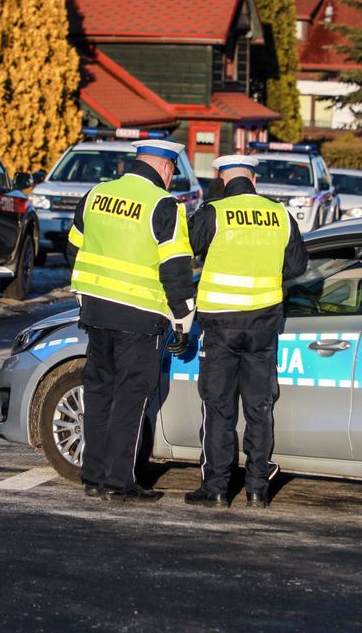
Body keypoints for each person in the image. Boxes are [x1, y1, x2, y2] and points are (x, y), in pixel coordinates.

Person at [67, 139, 196, 503]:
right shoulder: (163, 204)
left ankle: (92, 477)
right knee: (129, 400)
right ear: (166, 167)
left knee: (98, 394)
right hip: (139, 320)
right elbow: (175, 269)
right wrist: (183, 318)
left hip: (96, 313)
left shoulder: (97, 194)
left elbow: (72, 247)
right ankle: (118, 483)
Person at [183, 154, 308, 509]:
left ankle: (217, 488)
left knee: (219, 407)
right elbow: (298, 266)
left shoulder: (214, 212)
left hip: (220, 327)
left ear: (223, 178)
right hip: (264, 327)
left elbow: (187, 249)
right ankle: (257, 489)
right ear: (254, 179)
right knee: (259, 408)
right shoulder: (280, 215)